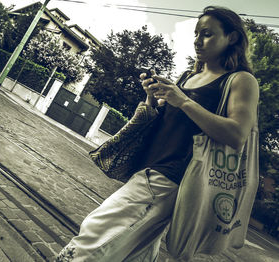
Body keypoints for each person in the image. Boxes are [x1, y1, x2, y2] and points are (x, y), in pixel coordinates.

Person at [56, 5, 259, 262]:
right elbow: (165, 123)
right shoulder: (188, 76)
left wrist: (183, 101)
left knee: (93, 237)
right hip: (147, 170)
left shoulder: (240, 80)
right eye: (196, 33)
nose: (198, 40)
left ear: (232, 38)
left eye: (207, 33)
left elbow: (238, 134)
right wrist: (152, 97)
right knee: (132, 255)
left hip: (168, 179)